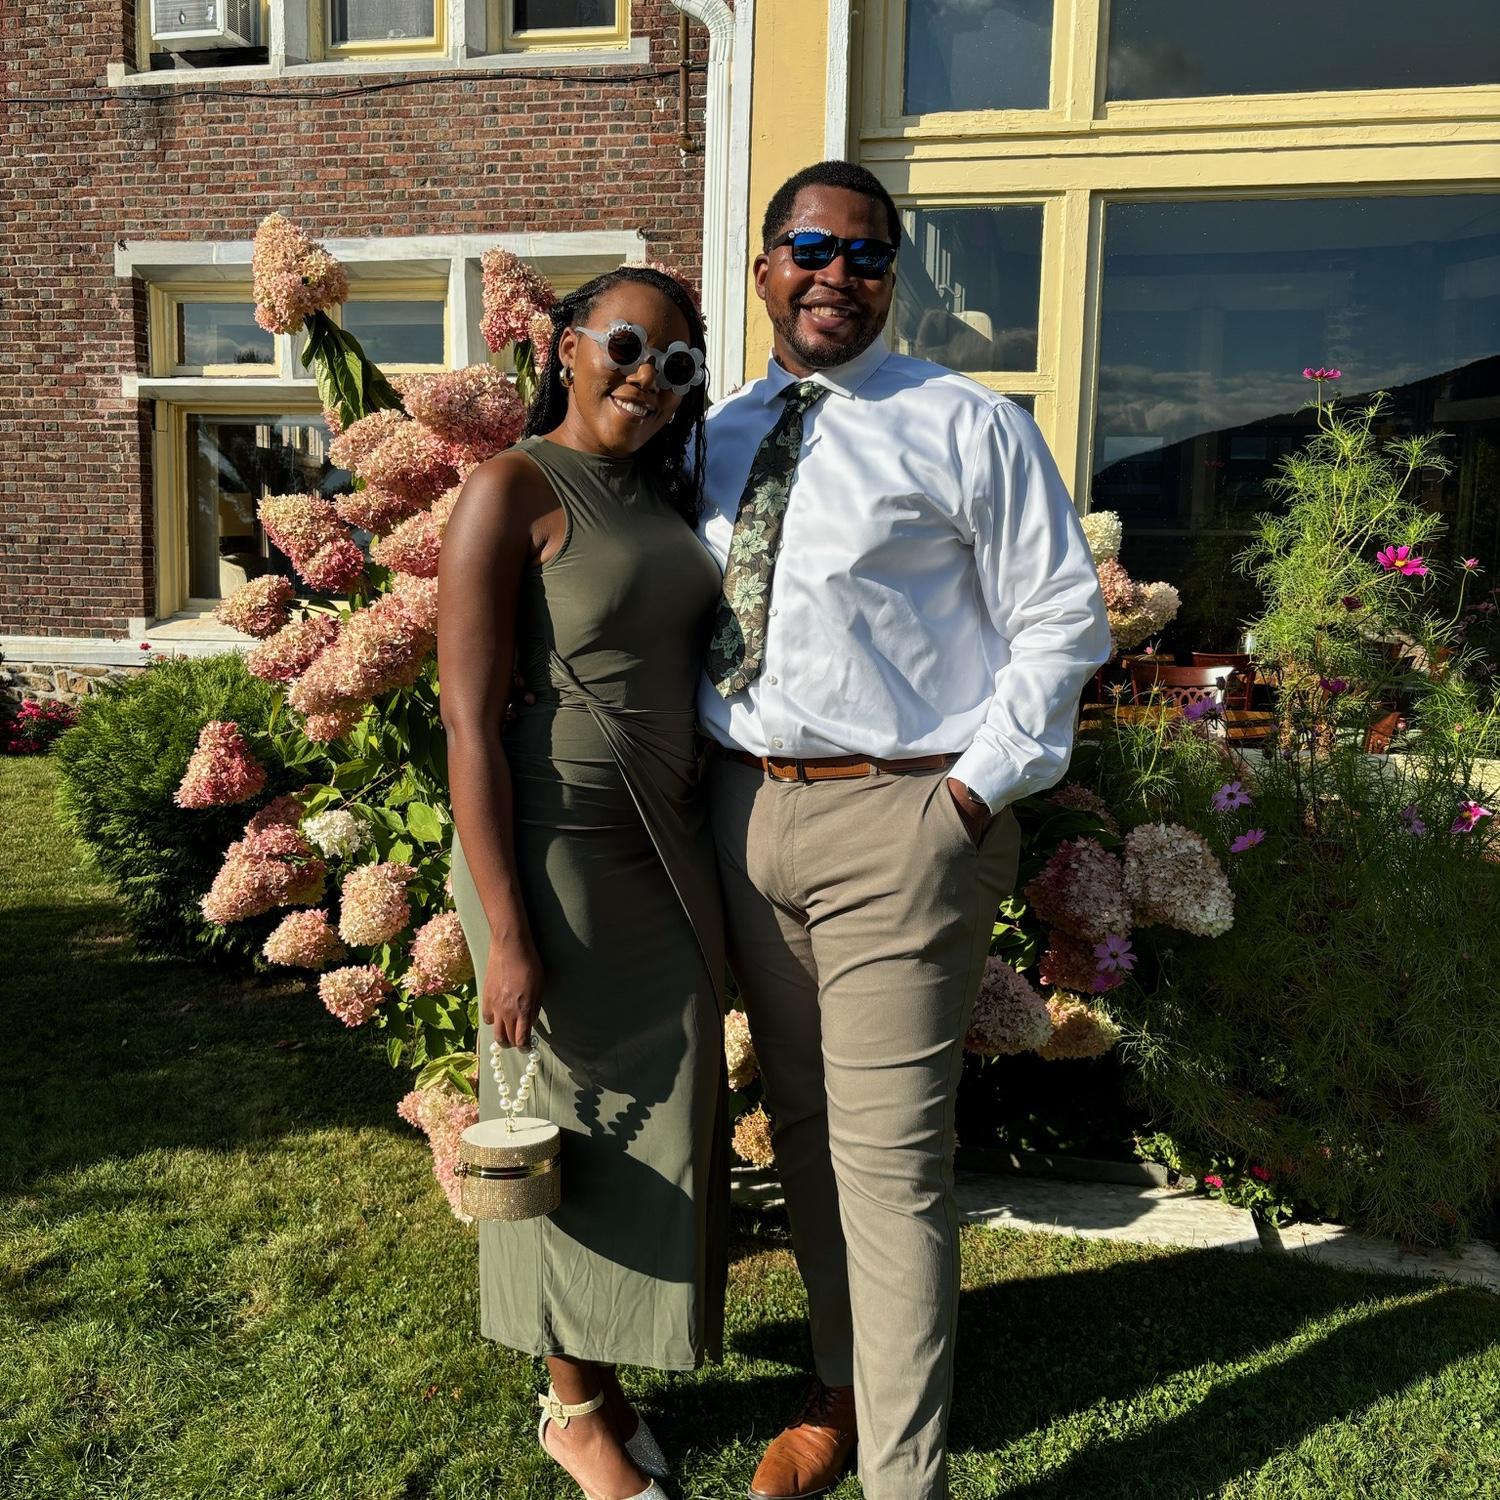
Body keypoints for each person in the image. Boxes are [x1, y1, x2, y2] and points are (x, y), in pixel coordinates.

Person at [698, 161, 1112, 1500]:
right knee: (805, 1135)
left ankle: (904, 1481)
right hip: (746, 811)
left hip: (904, 816)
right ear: (765, 267)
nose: (839, 275)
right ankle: (844, 1387)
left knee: (888, 1166)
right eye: (812, 248)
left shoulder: (963, 423)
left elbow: (1063, 622)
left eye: (869, 255)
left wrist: (968, 798)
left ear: (895, 278)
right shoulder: (715, 433)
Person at [439, 266, 728, 1500]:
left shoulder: (661, 495)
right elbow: (465, 724)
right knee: (569, 1116)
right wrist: (507, 932)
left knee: (656, 1110)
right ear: (565, 348)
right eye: (627, 346)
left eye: (677, 366)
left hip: (664, 848)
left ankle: (603, 1373)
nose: (649, 380)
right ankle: (573, 1413)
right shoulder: (512, 486)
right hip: (553, 853)